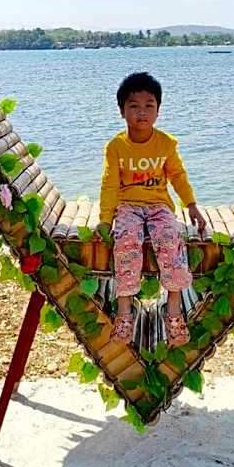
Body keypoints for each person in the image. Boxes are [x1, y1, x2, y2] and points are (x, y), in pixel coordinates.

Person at [96, 72, 206, 346]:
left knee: (171, 239)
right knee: (127, 241)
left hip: (159, 206)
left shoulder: (166, 144)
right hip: (128, 206)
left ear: (158, 110)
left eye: (149, 105)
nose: (142, 112)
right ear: (122, 110)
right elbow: (109, 184)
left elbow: (178, 176)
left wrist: (191, 205)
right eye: (134, 105)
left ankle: (173, 309)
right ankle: (124, 312)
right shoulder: (116, 147)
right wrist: (105, 219)